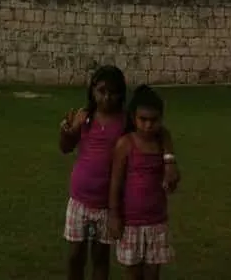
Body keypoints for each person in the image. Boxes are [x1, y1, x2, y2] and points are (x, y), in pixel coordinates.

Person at [59, 68, 180, 280]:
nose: (106, 97)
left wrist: (169, 160)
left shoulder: (127, 121)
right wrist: (67, 132)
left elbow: (161, 131)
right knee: (75, 255)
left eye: (112, 92)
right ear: (92, 91)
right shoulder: (85, 117)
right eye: (101, 91)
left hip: (107, 204)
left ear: (121, 94)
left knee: (100, 257)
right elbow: (66, 147)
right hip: (79, 199)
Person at [108, 85, 178, 280]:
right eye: (143, 120)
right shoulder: (126, 144)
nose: (148, 125)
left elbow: (172, 175)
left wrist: (171, 170)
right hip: (131, 222)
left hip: (156, 220)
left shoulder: (162, 142)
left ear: (161, 119)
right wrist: (114, 215)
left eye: (153, 120)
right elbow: (116, 182)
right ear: (133, 118)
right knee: (132, 273)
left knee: (153, 273)